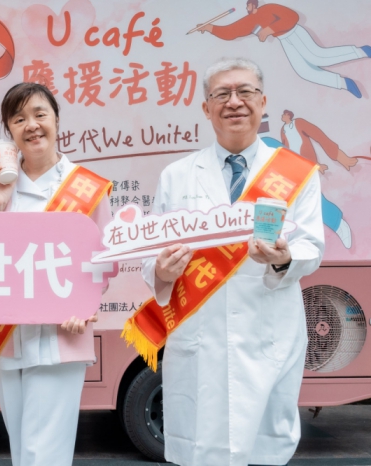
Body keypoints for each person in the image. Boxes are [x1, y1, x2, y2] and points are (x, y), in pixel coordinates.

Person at [142, 58, 324, 465]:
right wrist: (160, 271)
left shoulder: (297, 174)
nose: (234, 102)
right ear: (207, 108)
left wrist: (284, 258)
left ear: (263, 102)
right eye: (222, 94)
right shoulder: (177, 175)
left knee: (263, 449)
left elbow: (312, 245)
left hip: (268, 332)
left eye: (245, 92)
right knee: (201, 448)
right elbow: (152, 252)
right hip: (200, 338)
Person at [0, 82, 112, 465]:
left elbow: (104, 261)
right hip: (5, 336)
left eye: (39, 114)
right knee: (22, 451)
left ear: (56, 119)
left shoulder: (87, 187)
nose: (31, 125)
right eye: (19, 119)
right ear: (9, 130)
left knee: (43, 454)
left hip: (61, 337)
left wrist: (84, 304)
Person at [196, 0, 370, 98]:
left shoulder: (268, 8)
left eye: (249, 6)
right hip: (285, 39)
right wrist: (210, 28)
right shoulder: (250, 21)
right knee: (304, 71)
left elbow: (291, 16)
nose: (247, 9)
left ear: (254, 5)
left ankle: (362, 51)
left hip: (294, 32)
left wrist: (269, 29)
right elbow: (232, 31)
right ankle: (343, 83)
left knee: (318, 57)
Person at [280, 110, 355, 248]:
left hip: (307, 165)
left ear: (288, 115)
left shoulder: (299, 123)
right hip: (292, 168)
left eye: (284, 114)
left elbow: (319, 136)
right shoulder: (283, 130)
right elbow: (285, 151)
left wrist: (338, 156)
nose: (282, 116)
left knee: (310, 195)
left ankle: (337, 223)